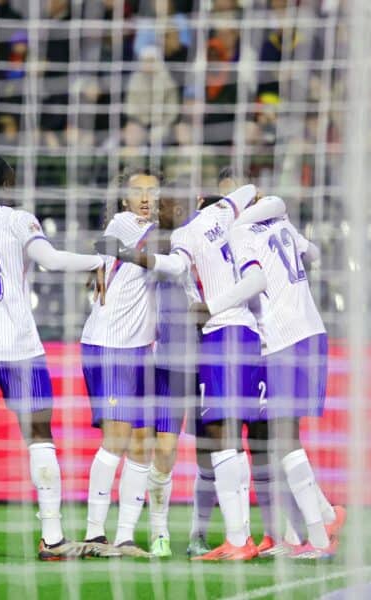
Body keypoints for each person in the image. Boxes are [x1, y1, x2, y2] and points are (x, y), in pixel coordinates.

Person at [0, 155, 107, 562]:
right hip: (19, 349)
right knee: (39, 436)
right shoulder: (18, 220)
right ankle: (51, 538)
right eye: (10, 182)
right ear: (2, 185)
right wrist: (99, 260)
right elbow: (50, 261)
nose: (13, 189)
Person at [105, 184, 283, 561]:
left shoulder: (193, 229)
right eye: (161, 205)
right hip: (184, 357)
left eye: (169, 202)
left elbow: (178, 265)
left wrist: (132, 258)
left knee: (224, 442)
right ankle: (169, 533)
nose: (162, 209)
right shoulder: (200, 223)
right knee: (207, 445)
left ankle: (237, 538)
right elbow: (250, 190)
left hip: (217, 340)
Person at [201, 191, 347, 559]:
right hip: (311, 330)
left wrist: (211, 306)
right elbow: (313, 253)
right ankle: (318, 523)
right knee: (279, 440)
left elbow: (257, 281)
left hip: (284, 337)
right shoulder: (280, 223)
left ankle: (319, 537)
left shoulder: (239, 231)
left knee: (283, 439)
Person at [82, 167, 162, 558]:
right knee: (116, 439)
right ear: (124, 199)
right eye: (138, 191)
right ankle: (95, 532)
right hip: (110, 345)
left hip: (141, 348)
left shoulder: (153, 230)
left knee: (143, 442)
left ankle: (126, 535)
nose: (146, 198)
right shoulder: (125, 224)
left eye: (153, 190)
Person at [144, 190, 202, 558]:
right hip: (166, 362)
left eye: (161, 204)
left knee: (216, 451)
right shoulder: (150, 242)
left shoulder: (196, 239)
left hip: (205, 358)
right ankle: (159, 531)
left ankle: (201, 534)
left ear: (178, 209)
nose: (154, 209)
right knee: (164, 449)